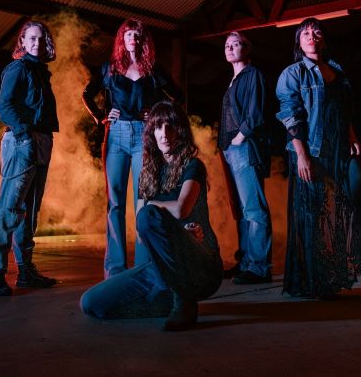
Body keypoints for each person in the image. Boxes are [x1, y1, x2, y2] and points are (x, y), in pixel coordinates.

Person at [275, 18, 361, 301]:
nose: (312, 36)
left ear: (324, 39)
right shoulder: (293, 73)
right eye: (305, 33)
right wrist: (302, 156)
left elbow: (344, 109)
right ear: (298, 41)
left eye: (316, 32)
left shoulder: (335, 70)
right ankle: (319, 281)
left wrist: (352, 135)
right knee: (317, 215)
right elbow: (290, 116)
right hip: (313, 151)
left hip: (341, 150)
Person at [80, 101, 221, 331]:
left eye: (170, 126)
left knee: (148, 214)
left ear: (181, 130)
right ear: (151, 132)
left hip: (200, 264)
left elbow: (180, 210)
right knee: (92, 304)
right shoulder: (149, 171)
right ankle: (168, 302)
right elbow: (143, 228)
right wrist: (165, 222)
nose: (164, 134)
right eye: (158, 127)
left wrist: (154, 210)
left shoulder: (192, 165)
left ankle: (184, 300)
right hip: (162, 265)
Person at [82, 19, 183, 278]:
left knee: (143, 199)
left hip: (143, 135)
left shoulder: (153, 70)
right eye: (128, 36)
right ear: (122, 40)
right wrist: (100, 115)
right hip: (115, 135)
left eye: (137, 36)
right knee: (115, 201)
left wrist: (157, 113)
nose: (133, 40)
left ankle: (142, 264)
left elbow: (177, 97)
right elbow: (87, 94)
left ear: (143, 41)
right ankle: (114, 268)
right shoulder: (110, 69)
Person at [0, 20, 60, 296]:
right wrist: (23, 134)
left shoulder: (41, 71)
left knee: (30, 213)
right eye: (32, 39)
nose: (37, 43)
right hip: (22, 142)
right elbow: (4, 107)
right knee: (10, 208)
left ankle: (26, 272)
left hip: (41, 141)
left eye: (41, 39)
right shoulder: (18, 68)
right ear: (23, 42)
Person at [218, 31, 273, 285]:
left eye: (236, 44)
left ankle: (259, 268)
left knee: (253, 208)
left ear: (247, 48)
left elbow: (256, 113)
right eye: (227, 45)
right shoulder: (234, 79)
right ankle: (246, 262)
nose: (230, 48)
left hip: (244, 147)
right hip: (231, 149)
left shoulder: (253, 75)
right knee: (242, 210)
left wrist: (239, 138)